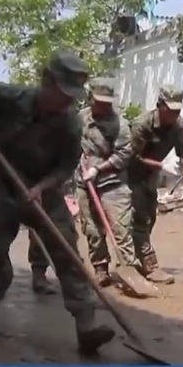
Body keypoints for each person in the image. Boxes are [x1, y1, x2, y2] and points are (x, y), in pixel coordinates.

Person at [0, 49, 114, 356]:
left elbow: (66, 167)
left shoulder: (70, 123)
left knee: (67, 251)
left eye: (73, 95)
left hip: (45, 192)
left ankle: (87, 327)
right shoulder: (7, 97)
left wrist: (40, 188)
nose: (68, 101)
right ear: (46, 81)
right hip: (5, 187)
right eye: (63, 93)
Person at [128, 86, 183, 284]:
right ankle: (150, 265)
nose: (175, 114)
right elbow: (132, 156)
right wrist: (160, 165)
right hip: (131, 175)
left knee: (150, 217)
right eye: (170, 109)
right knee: (140, 219)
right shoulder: (142, 124)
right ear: (160, 105)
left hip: (150, 177)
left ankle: (134, 255)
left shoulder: (178, 124)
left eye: (178, 109)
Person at [76, 82, 141, 287]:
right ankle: (100, 267)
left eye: (107, 103)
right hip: (84, 183)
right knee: (92, 230)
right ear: (90, 98)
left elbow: (124, 154)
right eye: (99, 102)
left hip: (113, 183)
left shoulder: (120, 125)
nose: (103, 106)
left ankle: (129, 269)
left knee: (121, 229)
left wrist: (98, 169)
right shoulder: (80, 118)